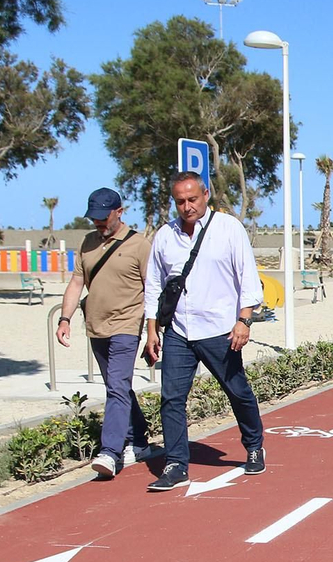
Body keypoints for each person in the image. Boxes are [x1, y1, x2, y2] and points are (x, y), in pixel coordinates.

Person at [143, 173, 267, 491]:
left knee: (237, 391)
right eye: (180, 201)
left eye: (192, 199)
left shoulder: (228, 229)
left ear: (206, 194)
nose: (187, 206)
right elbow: (155, 286)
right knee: (171, 398)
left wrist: (245, 320)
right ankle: (176, 464)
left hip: (220, 329)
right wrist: (152, 330)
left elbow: (247, 277)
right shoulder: (165, 236)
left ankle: (254, 446)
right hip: (179, 332)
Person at [57, 188, 159, 479]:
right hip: (95, 325)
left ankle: (111, 452)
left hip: (127, 324)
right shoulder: (87, 243)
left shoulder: (140, 245)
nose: (99, 223)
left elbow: (152, 290)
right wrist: (65, 319)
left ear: (120, 212)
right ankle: (139, 438)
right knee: (119, 386)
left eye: (104, 217)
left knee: (115, 386)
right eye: (94, 218)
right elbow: (77, 283)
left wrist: (153, 331)